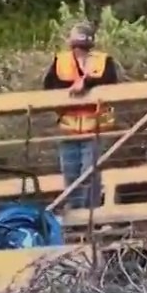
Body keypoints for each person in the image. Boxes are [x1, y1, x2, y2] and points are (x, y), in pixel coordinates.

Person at [42, 21, 120, 211]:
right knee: (70, 173)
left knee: (89, 173)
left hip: (94, 127)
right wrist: (70, 91)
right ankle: (75, 214)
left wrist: (86, 84)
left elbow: (110, 82)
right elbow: (49, 86)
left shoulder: (104, 60)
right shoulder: (60, 61)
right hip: (68, 128)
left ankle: (89, 214)